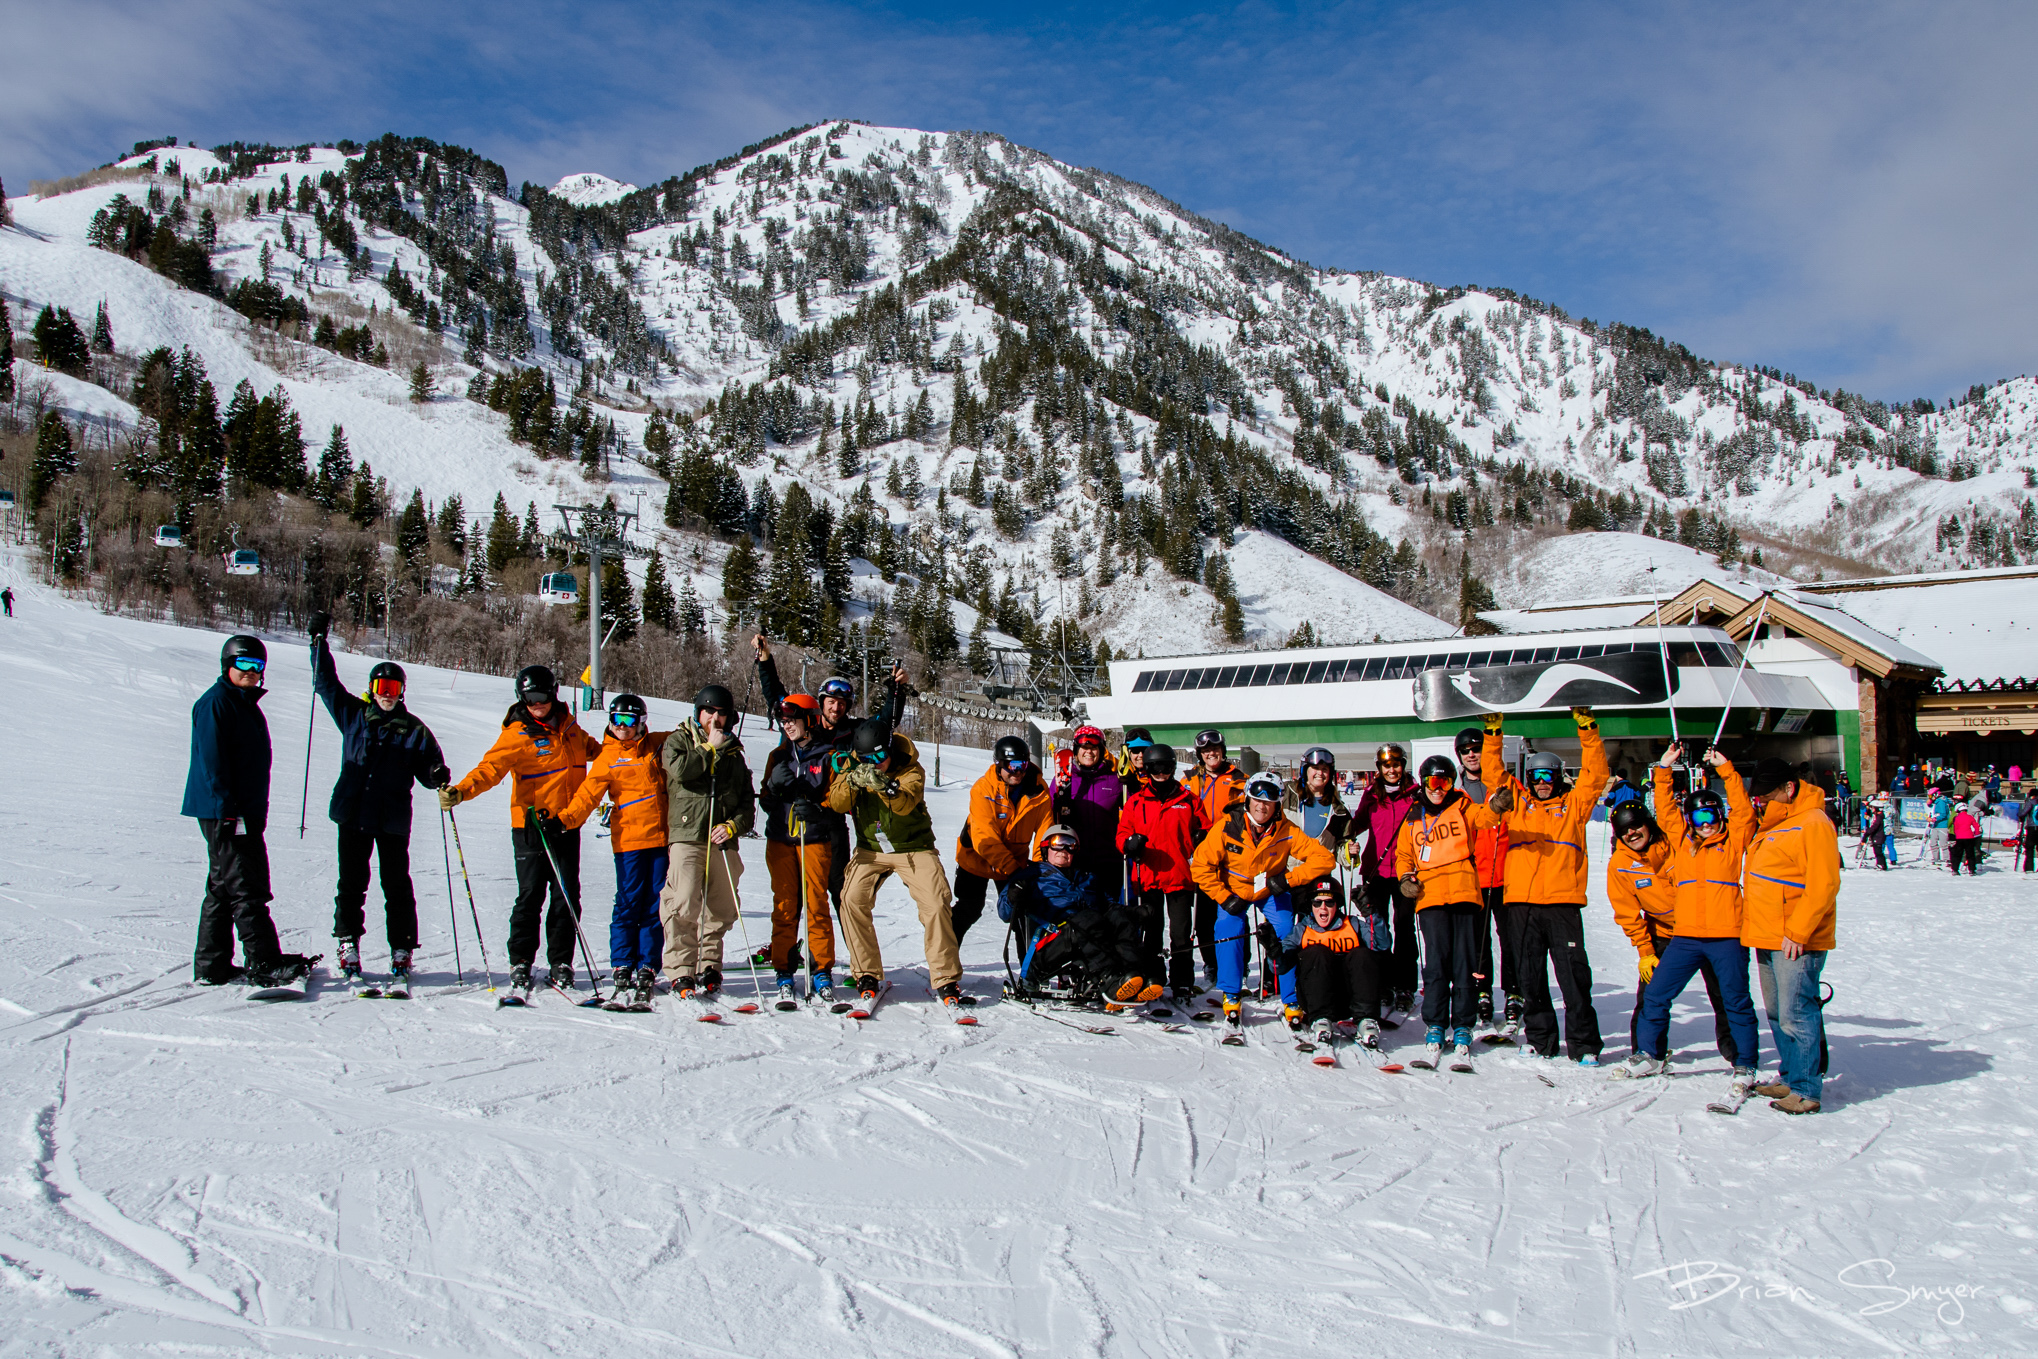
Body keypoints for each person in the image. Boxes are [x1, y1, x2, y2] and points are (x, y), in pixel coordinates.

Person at [1610, 744, 1761, 1105]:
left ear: (1719, 817)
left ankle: (1746, 1065)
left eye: (1710, 817)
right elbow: (1664, 807)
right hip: (1686, 937)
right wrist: (1663, 769)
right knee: (1657, 995)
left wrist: (1727, 770)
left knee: (1735, 1001)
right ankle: (1650, 1054)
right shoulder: (1682, 844)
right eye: (1698, 820)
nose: (1705, 825)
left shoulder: (1734, 840)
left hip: (1727, 937)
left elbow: (1743, 811)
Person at [308, 613, 449, 990]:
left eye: (393, 686)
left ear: (402, 691)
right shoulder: (354, 715)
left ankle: (402, 949)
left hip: (391, 820)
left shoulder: (414, 729)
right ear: (372, 688)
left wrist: (437, 774)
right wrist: (318, 643)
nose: (387, 692)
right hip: (353, 813)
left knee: (396, 884)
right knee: (352, 883)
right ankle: (347, 942)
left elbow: (430, 767)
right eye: (381, 685)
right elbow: (325, 685)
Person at [439, 665, 601, 993]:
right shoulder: (518, 733)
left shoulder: (570, 727)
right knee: (530, 896)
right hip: (530, 827)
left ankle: (561, 962)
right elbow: (490, 768)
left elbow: (600, 752)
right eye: (529, 698)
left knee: (567, 897)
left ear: (553, 693)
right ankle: (521, 961)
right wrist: (461, 790)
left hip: (567, 825)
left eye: (541, 696)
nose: (536, 704)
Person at [1481, 709, 1609, 1063]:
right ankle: (1541, 1041)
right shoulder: (1517, 804)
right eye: (1535, 776)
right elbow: (1494, 773)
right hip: (1521, 904)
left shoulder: (1573, 807)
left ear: (1558, 778)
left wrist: (1586, 729)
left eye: (1547, 776)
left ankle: (1583, 1045)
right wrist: (1493, 732)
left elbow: (1597, 774)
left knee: (1573, 978)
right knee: (1530, 976)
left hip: (1561, 904)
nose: (1541, 782)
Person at [182, 635, 310, 986]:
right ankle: (263, 962)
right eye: (245, 665)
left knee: (223, 886)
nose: (253, 673)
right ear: (228, 665)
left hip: (241, 810)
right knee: (245, 886)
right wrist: (226, 811)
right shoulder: (216, 704)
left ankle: (212, 966)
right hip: (225, 810)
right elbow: (212, 763)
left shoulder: (242, 703)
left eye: (258, 666)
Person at [824, 718, 965, 1009]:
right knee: (851, 900)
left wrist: (885, 787)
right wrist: (851, 780)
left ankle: (945, 976)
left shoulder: (910, 766)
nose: (875, 764)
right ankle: (866, 972)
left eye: (879, 757)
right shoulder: (853, 763)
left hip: (913, 846)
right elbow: (836, 803)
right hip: (871, 848)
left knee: (937, 903)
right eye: (867, 759)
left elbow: (905, 804)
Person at [548, 694, 671, 1009]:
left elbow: (688, 737)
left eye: (629, 721)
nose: (622, 727)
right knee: (628, 902)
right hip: (629, 842)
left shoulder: (656, 744)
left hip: (660, 839)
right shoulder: (607, 756)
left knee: (655, 904)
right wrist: (564, 820)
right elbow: (587, 795)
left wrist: (709, 723)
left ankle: (647, 964)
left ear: (641, 721)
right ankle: (622, 962)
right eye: (616, 720)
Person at [1190, 770, 1335, 1028]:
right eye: (1257, 798)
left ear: (1277, 804)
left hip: (1270, 888)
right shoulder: (1227, 826)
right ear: (1247, 799)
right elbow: (1201, 866)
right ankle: (1231, 992)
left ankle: (1291, 998)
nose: (1262, 806)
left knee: (1285, 930)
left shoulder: (1286, 830)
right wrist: (1223, 896)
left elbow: (1324, 859)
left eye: (1269, 800)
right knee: (1228, 928)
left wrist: (1288, 880)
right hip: (1234, 888)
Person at [1606, 800, 1739, 1067]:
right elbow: (1626, 911)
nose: (1631, 834)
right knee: (1651, 994)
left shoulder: (1677, 845)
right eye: (1624, 831)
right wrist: (1645, 951)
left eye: (1636, 826)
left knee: (1725, 995)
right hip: (1665, 935)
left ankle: (1738, 1054)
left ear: (1648, 825)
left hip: (1710, 929)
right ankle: (1646, 1053)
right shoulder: (1620, 864)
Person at [1742, 758, 1840, 1115]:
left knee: (1796, 1013)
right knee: (1776, 1012)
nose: (1762, 803)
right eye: (1760, 799)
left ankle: (1806, 1089)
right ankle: (1791, 1074)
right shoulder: (1777, 823)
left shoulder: (1813, 823)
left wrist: (1799, 930)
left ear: (1789, 787)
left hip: (1795, 938)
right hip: (1767, 935)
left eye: (1768, 797)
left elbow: (1824, 883)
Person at [1396, 753, 1507, 1069]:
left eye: (1444, 781)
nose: (1438, 788)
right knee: (1436, 966)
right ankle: (1434, 1024)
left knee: (1464, 965)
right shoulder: (1413, 817)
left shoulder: (1462, 805)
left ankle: (1462, 1026)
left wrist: (1497, 806)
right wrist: (1406, 879)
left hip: (1463, 893)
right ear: (1423, 782)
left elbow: (1485, 818)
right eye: (1433, 781)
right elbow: (1405, 855)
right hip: (1430, 897)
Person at [656, 684, 754, 998]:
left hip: (721, 841)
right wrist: (709, 749)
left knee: (722, 908)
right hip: (687, 836)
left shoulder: (734, 753)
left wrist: (733, 825)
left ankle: (709, 964)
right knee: (684, 903)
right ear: (698, 712)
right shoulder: (678, 741)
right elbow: (681, 771)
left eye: (721, 713)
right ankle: (681, 970)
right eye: (709, 711)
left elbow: (745, 803)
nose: (714, 718)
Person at [1004, 824, 1159, 1002]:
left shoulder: (1087, 878)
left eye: (1070, 844)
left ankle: (1134, 976)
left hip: (1088, 934)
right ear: (1046, 847)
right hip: (1049, 945)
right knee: (1087, 919)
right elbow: (1005, 913)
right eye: (1057, 843)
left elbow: (1108, 907)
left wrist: (1133, 913)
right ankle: (1108, 980)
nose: (1064, 849)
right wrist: (1013, 896)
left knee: (1119, 918)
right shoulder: (1031, 875)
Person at [756, 692, 843, 1003]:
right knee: (785, 905)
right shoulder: (778, 756)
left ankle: (821, 968)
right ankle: (783, 967)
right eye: (783, 720)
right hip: (781, 840)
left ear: (808, 720)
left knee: (817, 904)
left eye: (792, 719)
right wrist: (772, 788)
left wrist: (820, 810)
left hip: (815, 840)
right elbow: (765, 804)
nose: (787, 725)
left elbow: (838, 799)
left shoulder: (828, 754)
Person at [1117, 741, 1210, 1001]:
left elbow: (1206, 828)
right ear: (1146, 770)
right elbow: (1122, 833)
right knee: (1152, 931)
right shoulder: (1136, 801)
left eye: (1166, 768)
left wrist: (1202, 838)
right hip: (1147, 876)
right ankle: (1153, 976)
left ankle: (1182, 981)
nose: (1161, 774)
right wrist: (1129, 843)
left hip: (1180, 875)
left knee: (1181, 933)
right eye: (1155, 768)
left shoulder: (1188, 800)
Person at [953, 736, 1051, 944]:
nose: (1018, 772)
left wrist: (1039, 871)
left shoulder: (1039, 792)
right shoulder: (983, 790)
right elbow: (984, 839)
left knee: (1022, 916)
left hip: (1015, 861)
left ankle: (1028, 975)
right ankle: (944, 968)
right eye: (1012, 765)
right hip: (976, 859)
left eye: (1022, 765)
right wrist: (1016, 872)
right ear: (999, 764)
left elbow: (1044, 835)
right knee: (969, 910)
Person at [1351, 743, 1421, 1016]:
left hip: (1405, 872)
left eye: (1396, 764)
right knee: (1377, 930)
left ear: (1403, 765)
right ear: (1378, 769)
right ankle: (1382, 983)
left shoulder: (1415, 795)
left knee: (1404, 929)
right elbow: (1358, 824)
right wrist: (1344, 832)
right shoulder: (1372, 794)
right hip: (1376, 871)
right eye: (1386, 766)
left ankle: (1405, 986)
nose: (1392, 770)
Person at [1454, 725, 1511, 1029]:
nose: (1473, 754)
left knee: (1510, 939)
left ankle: (1514, 992)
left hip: (1505, 873)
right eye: (1467, 750)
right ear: (1460, 756)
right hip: (1474, 876)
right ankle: (1482, 990)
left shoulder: (1502, 783)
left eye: (1477, 748)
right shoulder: (1456, 792)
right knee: (1478, 942)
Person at [1183, 729, 1248, 981]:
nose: (1211, 754)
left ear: (1223, 751)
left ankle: (1238, 964)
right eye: (1206, 751)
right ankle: (1212, 963)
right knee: (1204, 917)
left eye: (1216, 749)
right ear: (1200, 754)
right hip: (1202, 857)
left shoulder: (1240, 779)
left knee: (1235, 912)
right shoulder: (1189, 780)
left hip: (1232, 856)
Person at [1288, 878, 1379, 1048]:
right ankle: (1321, 1020)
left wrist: (1371, 913)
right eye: (1317, 902)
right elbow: (1280, 965)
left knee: (1362, 954)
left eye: (1329, 902)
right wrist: (1274, 949)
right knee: (1317, 952)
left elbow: (1380, 947)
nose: (1323, 907)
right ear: (1311, 905)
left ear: (1337, 905)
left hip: (1349, 1000)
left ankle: (1366, 1019)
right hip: (1315, 999)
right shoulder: (1302, 929)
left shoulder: (1353, 925)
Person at [1053, 724, 1126, 898]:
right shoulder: (1064, 779)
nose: (1089, 752)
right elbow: (1047, 817)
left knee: (1110, 913)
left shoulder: (1114, 779)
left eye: (1094, 748)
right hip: (1075, 859)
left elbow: (1134, 808)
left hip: (1108, 860)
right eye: (1084, 747)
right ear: (1076, 751)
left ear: (1101, 751)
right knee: (1081, 914)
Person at [1282, 746, 1351, 853]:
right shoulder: (1287, 794)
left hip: (1319, 868)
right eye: (1316, 768)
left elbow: (1340, 846)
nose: (1320, 773)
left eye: (1324, 769)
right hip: (1288, 869)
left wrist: (1348, 851)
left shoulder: (1338, 810)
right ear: (1305, 770)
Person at [1949, 801, 1984, 875]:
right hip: (1969, 838)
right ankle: (1971, 870)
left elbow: (1955, 828)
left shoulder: (1956, 818)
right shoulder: (1970, 817)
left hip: (1959, 838)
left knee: (1957, 855)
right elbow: (1976, 826)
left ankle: (1955, 869)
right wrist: (1977, 833)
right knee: (1970, 854)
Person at [1861, 800, 1890, 870]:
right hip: (1876, 836)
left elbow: (1875, 826)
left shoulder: (1879, 817)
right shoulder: (1877, 816)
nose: (1871, 810)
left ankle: (1881, 864)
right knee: (1877, 851)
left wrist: (1868, 831)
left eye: (1872, 808)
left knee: (1878, 851)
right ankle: (1882, 864)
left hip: (1878, 836)